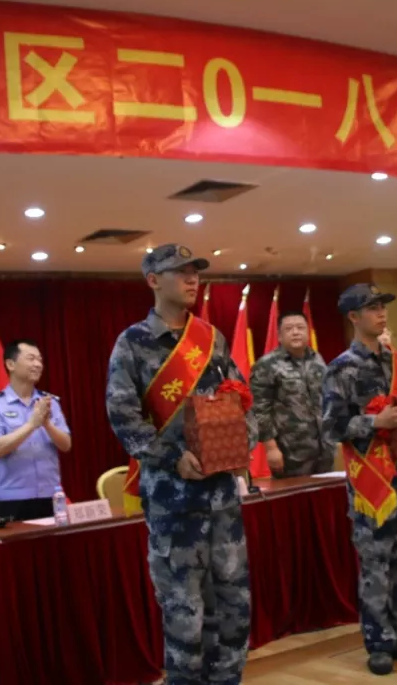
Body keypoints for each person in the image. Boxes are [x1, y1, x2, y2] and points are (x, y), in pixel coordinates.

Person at [105, 244, 257, 685]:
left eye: (196, 272)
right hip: (172, 500)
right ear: (153, 280)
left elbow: (240, 397)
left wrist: (241, 438)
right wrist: (172, 459)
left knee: (233, 600)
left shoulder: (211, 338)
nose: (192, 279)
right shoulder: (133, 343)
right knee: (183, 609)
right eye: (180, 272)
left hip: (221, 495)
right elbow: (123, 417)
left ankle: (227, 678)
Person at [321, 283, 397, 676]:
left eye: (383, 306)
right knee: (376, 566)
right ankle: (378, 643)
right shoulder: (341, 367)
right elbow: (330, 427)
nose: (381, 313)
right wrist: (375, 422)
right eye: (372, 307)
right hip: (371, 482)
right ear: (353, 316)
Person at [0, 339, 72, 521]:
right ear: (10, 364)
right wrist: (31, 425)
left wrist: (47, 424)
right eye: (31, 359)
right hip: (13, 499)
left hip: (51, 495)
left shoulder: (49, 402)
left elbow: (66, 445)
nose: (38, 364)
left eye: (40, 360)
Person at [250, 309, 332, 477]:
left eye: (300, 327)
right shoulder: (266, 365)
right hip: (290, 451)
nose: (295, 332)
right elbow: (259, 410)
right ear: (279, 336)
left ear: (307, 332)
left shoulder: (317, 359)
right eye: (289, 329)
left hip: (325, 449)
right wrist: (271, 448)